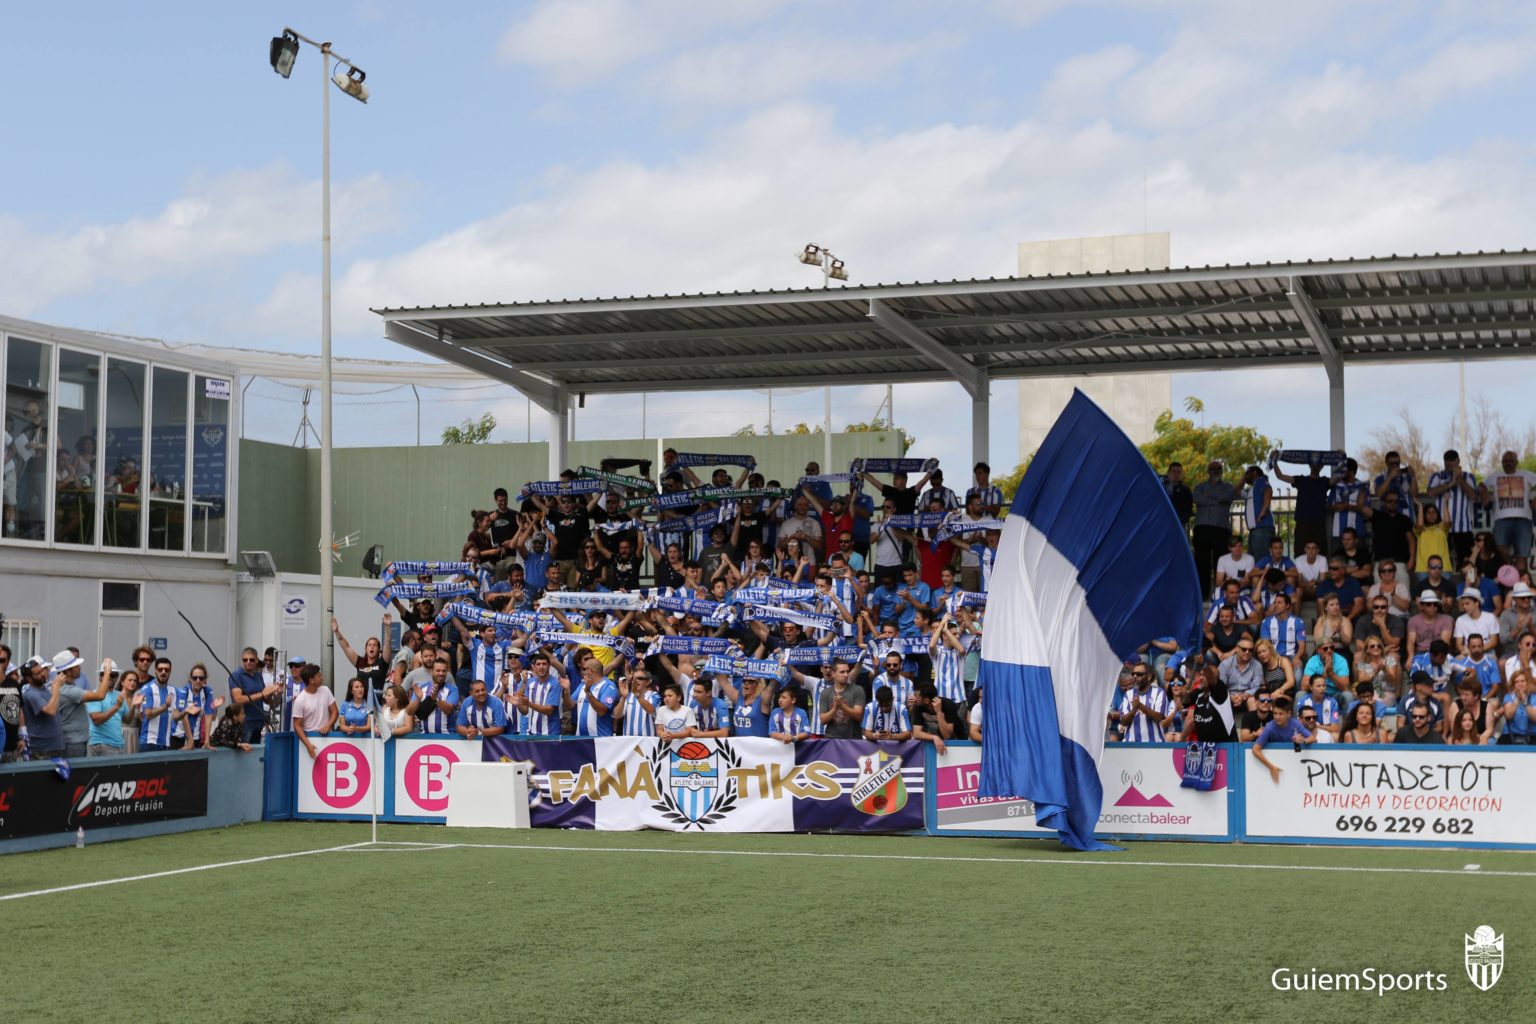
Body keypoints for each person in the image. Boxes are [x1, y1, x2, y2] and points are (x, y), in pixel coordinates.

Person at [1426, 449, 1485, 565]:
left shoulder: (1468, 476)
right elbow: (1430, 492)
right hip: (1441, 527)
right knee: (1440, 559)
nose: (1449, 463)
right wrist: (1450, 484)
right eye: (1447, 460)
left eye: (1452, 460)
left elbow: (1473, 496)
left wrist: (1459, 480)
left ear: (1458, 461)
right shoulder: (1437, 476)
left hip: (1463, 527)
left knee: (1466, 561)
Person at [1191, 461, 1238, 593]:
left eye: (1219, 468)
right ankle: (1203, 594)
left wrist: (1209, 495)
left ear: (1222, 471)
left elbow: (1228, 497)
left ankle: (1221, 593)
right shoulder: (1199, 487)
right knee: (1201, 562)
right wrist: (1218, 499)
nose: (1216, 471)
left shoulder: (1228, 487)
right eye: (1213, 469)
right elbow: (1197, 499)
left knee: (1221, 562)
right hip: (1203, 528)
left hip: (1221, 529)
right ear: (1208, 471)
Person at [1249, 696, 1316, 783]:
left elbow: (1313, 738)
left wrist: (1303, 741)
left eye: (1281, 714)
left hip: (1293, 763)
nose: (1277, 717)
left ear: (1289, 714)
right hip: (1274, 762)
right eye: (1275, 713)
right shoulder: (1269, 727)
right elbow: (1255, 750)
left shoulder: (1295, 724)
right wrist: (1271, 767)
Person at [333, 615, 392, 705]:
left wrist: (387, 626)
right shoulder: (360, 662)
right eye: (369, 645)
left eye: (375, 645)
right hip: (361, 704)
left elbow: (387, 643)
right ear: (366, 648)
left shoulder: (382, 662)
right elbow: (346, 647)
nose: (372, 647)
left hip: (378, 704)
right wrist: (336, 631)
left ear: (379, 649)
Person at [228, 646, 280, 746]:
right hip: (244, 722)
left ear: (256, 660)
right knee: (244, 752)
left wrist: (273, 691)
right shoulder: (236, 675)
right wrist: (262, 694)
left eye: (251, 660)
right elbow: (238, 699)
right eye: (245, 660)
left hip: (259, 721)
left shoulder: (258, 675)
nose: (248, 662)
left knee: (256, 753)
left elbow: (265, 699)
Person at [20, 656, 66, 759]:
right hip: (42, 749)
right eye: (37, 673)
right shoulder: (30, 694)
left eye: (41, 671)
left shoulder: (44, 689)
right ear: (28, 679)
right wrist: (56, 688)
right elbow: (50, 710)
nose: (42, 674)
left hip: (55, 746)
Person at [290, 664, 337, 759]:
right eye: (319, 676)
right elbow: (297, 726)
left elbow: (335, 711)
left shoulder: (326, 690)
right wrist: (308, 745)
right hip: (309, 739)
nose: (321, 678)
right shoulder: (300, 700)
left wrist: (328, 726)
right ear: (311, 680)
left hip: (328, 737)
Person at [171, 663, 223, 750]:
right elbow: (184, 717)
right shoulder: (183, 691)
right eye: (195, 678)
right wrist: (190, 740)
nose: (198, 680)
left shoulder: (207, 691)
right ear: (190, 679)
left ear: (205, 680)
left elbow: (209, 715)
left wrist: (207, 740)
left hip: (196, 737)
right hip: (178, 736)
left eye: (201, 678)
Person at [86, 667, 134, 757]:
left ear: (117, 677)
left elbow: (127, 720)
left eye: (113, 675)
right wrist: (116, 707)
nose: (110, 677)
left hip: (119, 745)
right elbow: (96, 720)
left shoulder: (119, 695)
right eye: (107, 674)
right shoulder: (95, 695)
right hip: (101, 744)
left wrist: (134, 706)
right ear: (100, 677)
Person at [1116, 663, 1169, 742]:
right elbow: (1123, 721)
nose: (1135, 676)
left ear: (1149, 676)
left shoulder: (1159, 693)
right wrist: (1134, 710)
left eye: (1139, 674)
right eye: (1133, 674)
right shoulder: (1128, 694)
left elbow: (1159, 717)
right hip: (1131, 744)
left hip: (1155, 744)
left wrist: (1140, 706)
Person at [136, 656, 179, 752]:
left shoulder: (174, 690)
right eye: (160, 669)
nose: (163, 672)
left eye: (166, 670)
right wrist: (165, 706)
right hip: (149, 742)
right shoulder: (147, 689)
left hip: (166, 743)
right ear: (155, 670)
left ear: (170, 672)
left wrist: (186, 712)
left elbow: (176, 716)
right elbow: (148, 714)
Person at [910, 683, 967, 755]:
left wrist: (939, 712)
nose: (914, 698)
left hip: (957, 742)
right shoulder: (918, 706)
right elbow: (916, 733)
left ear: (926, 700)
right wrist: (934, 737)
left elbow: (947, 736)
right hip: (936, 742)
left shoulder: (948, 705)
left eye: (917, 696)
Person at [816, 658, 867, 739]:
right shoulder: (825, 693)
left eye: (847, 671)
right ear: (833, 674)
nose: (846, 675)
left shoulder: (857, 690)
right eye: (842, 672)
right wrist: (835, 708)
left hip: (853, 740)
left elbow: (858, 716)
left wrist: (842, 706)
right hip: (831, 739)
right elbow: (823, 720)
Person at [568, 657, 618, 737]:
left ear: (591, 671)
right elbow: (570, 705)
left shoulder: (608, 686)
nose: (582, 671)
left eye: (584, 669)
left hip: (601, 739)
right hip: (581, 739)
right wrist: (566, 691)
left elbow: (602, 711)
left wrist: (588, 692)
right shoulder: (582, 684)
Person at [1498, 669, 1536, 745]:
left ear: (1527, 683)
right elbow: (1509, 715)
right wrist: (1517, 700)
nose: (1520, 684)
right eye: (1517, 682)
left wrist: (1524, 701)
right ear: (1513, 685)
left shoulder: (1534, 698)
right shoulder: (1508, 697)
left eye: (1522, 681)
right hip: (1510, 735)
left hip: (1532, 735)